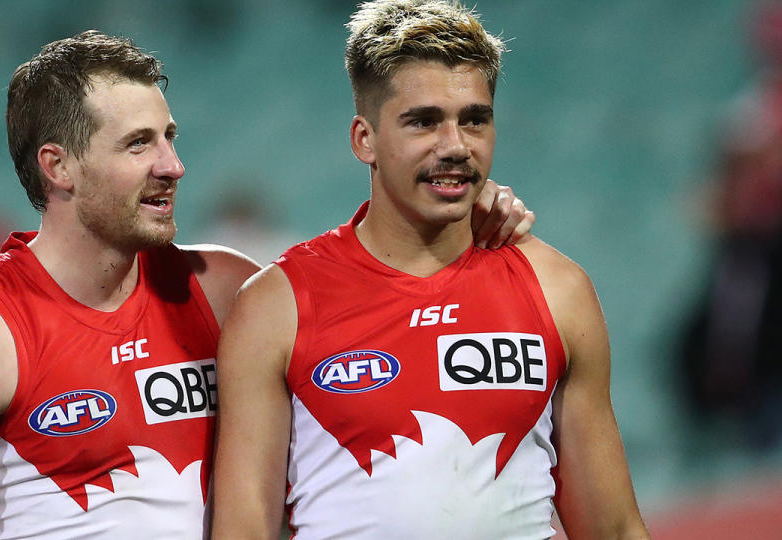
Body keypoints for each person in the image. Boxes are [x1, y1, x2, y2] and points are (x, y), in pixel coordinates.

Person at [0, 30, 534, 539]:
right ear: (59, 167)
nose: (174, 165)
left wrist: (457, 212)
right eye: (139, 145)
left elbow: (377, 285)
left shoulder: (225, 292)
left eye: (170, 137)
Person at [210, 2, 650, 539]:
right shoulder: (276, 306)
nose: (455, 146)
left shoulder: (558, 289)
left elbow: (614, 528)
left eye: (474, 119)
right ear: (363, 139)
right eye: (423, 121)